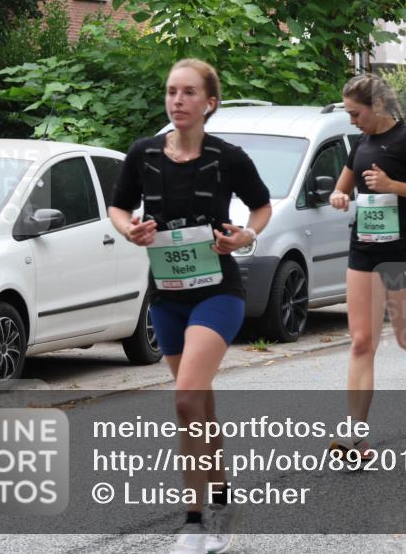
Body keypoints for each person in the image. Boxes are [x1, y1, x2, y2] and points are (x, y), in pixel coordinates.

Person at [109, 59, 272, 554]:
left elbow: (261, 207)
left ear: (209, 103)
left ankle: (195, 521)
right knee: (198, 402)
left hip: (218, 291)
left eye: (187, 93)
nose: (176, 100)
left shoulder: (228, 157)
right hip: (167, 295)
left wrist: (246, 234)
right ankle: (223, 499)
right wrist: (129, 230)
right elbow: (117, 208)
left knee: (184, 399)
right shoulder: (143, 154)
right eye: (171, 92)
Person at [328, 73, 406, 460]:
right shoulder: (361, 143)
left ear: (376, 106)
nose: (352, 120)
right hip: (364, 247)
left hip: (404, 249)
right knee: (362, 340)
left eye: (355, 113)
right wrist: (338, 196)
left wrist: (393, 185)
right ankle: (356, 437)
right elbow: (342, 186)